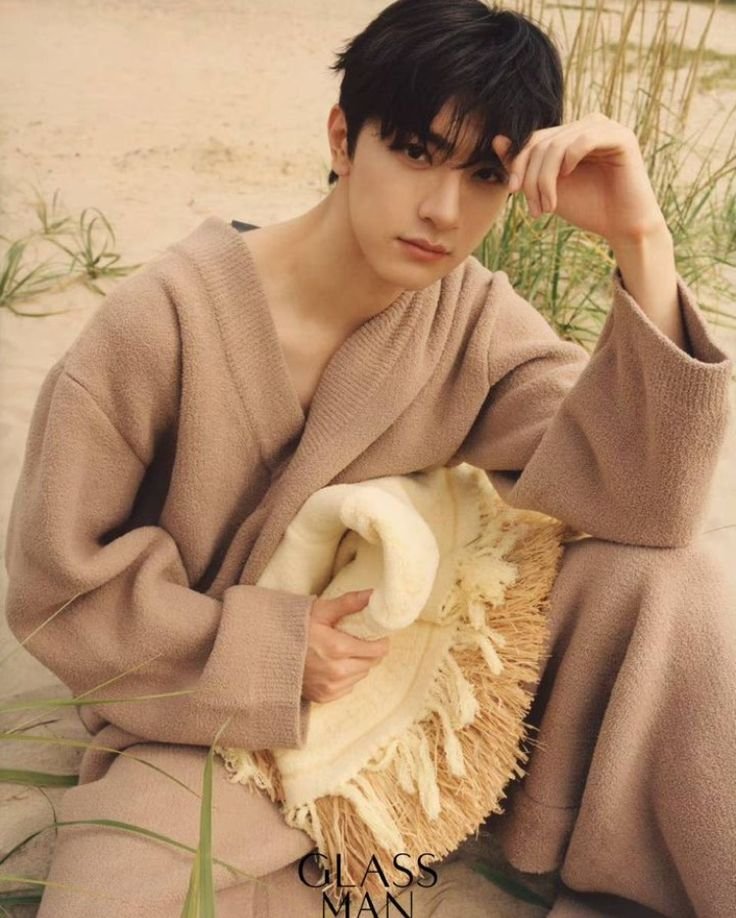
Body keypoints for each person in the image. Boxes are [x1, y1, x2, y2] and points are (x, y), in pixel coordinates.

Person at [4, 0, 734, 915]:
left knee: (676, 585)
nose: (443, 210)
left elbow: (646, 501)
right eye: (416, 152)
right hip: (219, 711)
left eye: (484, 175)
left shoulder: (468, 318)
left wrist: (642, 240)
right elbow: (58, 585)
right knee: (117, 892)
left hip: (439, 689)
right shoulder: (164, 322)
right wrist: (274, 654)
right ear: (344, 139)